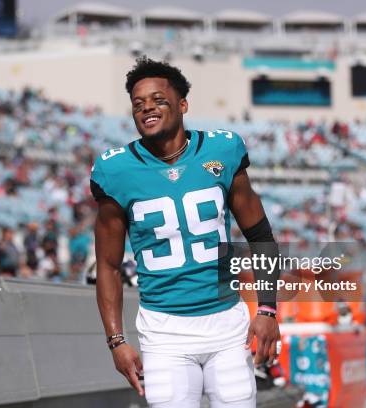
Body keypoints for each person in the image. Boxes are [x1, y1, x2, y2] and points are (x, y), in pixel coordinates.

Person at [90, 57, 280, 408]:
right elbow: (108, 266)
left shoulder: (221, 150)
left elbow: (261, 236)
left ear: (182, 104)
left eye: (158, 99)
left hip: (227, 324)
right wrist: (116, 341)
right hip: (164, 333)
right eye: (138, 103)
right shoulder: (115, 169)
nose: (147, 107)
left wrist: (267, 310)